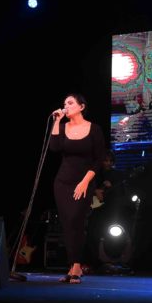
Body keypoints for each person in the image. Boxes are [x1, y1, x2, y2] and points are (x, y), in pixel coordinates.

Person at [49, 94, 106, 283]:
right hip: (62, 182)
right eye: (64, 103)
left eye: (70, 103)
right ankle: (73, 266)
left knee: (77, 221)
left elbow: (99, 159)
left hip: (83, 182)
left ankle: (77, 266)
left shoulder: (94, 129)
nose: (66, 106)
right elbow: (54, 147)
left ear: (81, 106)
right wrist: (57, 121)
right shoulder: (63, 127)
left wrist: (85, 182)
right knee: (67, 224)